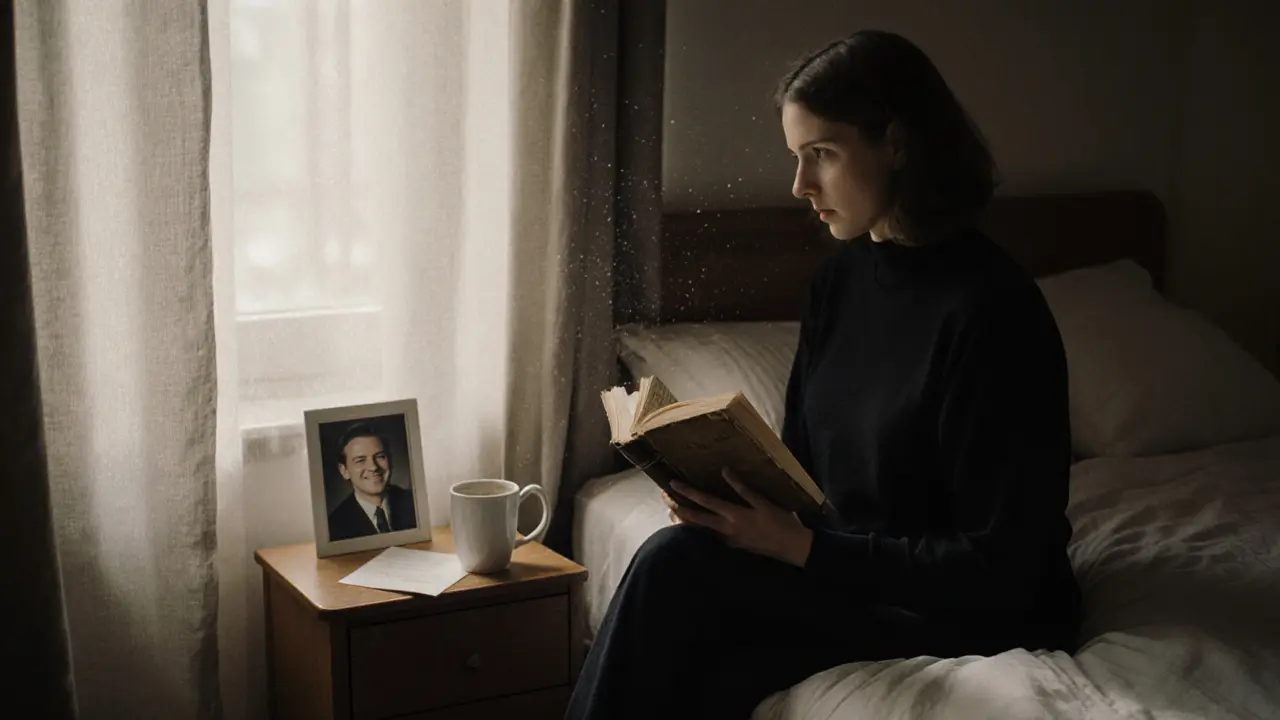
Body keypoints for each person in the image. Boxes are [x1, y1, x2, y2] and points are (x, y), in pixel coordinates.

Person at [565, 30, 1081, 719]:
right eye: (796, 158)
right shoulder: (839, 283)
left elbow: (999, 567)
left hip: (968, 608)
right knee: (685, 581)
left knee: (675, 583)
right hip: (847, 570)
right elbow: (803, 466)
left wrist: (801, 547)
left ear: (896, 143)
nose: (800, 187)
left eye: (822, 155)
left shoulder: (993, 311)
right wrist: (730, 502)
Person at [327, 422, 417, 541]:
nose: (373, 467)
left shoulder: (414, 502)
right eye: (360, 460)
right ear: (344, 471)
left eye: (380, 457)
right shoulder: (334, 527)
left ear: (390, 460)